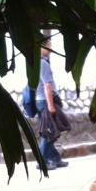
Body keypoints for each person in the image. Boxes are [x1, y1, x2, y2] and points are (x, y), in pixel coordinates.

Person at [35, 38, 68, 170]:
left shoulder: (38, 62)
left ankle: (55, 158)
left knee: (49, 130)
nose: (50, 49)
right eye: (48, 46)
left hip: (40, 100)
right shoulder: (43, 63)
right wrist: (50, 105)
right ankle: (41, 161)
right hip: (45, 100)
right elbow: (47, 85)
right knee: (50, 131)